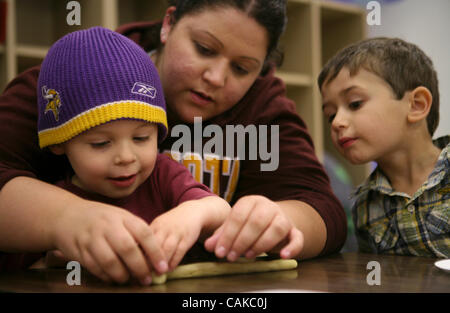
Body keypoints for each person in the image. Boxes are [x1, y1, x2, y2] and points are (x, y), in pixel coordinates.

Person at [0, 0, 346, 283]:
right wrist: (68, 219)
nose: (215, 77)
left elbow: (322, 208)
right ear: (168, 24)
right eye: (204, 48)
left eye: (242, 68)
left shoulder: (263, 107)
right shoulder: (74, 79)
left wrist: (277, 220)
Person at [318, 37, 449, 258]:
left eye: (355, 103)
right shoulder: (364, 206)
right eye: (330, 115)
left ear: (416, 105)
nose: (337, 122)